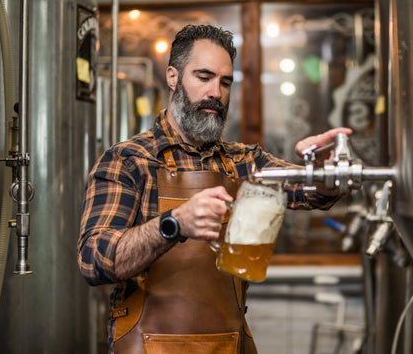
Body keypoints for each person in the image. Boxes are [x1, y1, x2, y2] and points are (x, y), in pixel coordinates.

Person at [78, 24, 351, 354]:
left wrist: (324, 169)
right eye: (203, 77)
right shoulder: (130, 160)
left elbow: (313, 193)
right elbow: (94, 259)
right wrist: (174, 224)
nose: (216, 93)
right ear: (173, 77)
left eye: (225, 82)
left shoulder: (243, 161)